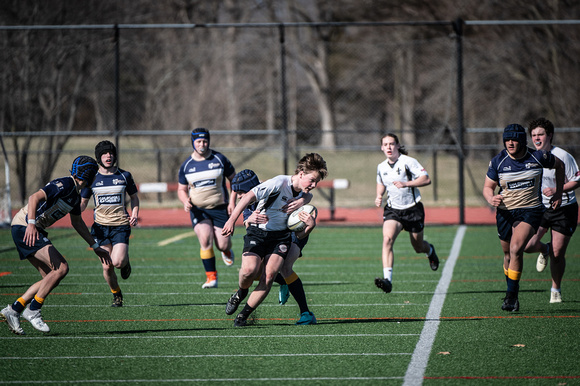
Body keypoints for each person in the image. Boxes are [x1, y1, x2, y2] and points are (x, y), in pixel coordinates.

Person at [1, 156, 111, 335]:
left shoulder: (76, 195)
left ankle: (14, 310)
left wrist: (95, 245)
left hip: (30, 228)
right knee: (61, 268)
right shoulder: (66, 184)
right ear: (89, 175)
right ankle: (33, 310)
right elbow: (34, 197)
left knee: (49, 277)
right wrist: (30, 223)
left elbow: (77, 223)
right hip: (25, 226)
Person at [221, 153, 328, 327]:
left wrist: (307, 218)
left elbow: (308, 198)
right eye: (312, 180)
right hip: (259, 234)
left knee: (270, 275)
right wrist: (232, 220)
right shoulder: (278, 183)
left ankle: (243, 316)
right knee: (249, 271)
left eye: (316, 182)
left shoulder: (303, 191)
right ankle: (241, 293)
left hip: (281, 236)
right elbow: (248, 196)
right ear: (301, 173)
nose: (314, 185)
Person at [483, 123, 564, 312]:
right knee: (507, 253)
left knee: (516, 248)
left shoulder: (538, 156)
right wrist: (490, 197)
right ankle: (510, 290)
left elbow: (560, 166)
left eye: (514, 139)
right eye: (507, 140)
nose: (510, 143)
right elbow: (488, 187)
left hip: (530, 211)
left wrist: (559, 193)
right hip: (505, 212)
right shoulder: (498, 161)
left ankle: (512, 297)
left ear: (521, 140)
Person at [523, 118, 580, 303]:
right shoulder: (530, 157)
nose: (536, 138)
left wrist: (558, 190)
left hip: (564, 209)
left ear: (549, 136)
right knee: (526, 245)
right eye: (533, 135)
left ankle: (555, 288)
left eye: (540, 134)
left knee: (558, 254)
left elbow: (577, 180)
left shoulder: (563, 156)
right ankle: (544, 249)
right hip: (540, 208)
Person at [374, 133, 439, 294]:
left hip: (412, 209)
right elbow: (381, 182)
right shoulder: (381, 166)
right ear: (381, 147)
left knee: (418, 247)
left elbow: (426, 179)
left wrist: (406, 184)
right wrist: (379, 196)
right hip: (393, 210)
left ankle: (430, 251)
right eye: (385, 144)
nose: (388, 147)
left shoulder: (408, 162)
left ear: (397, 145)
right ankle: (387, 280)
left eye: (391, 144)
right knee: (387, 239)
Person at [80, 140, 139, 307]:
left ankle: (125, 263)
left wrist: (134, 213)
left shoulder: (124, 176)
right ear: (99, 157)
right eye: (104, 153)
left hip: (120, 225)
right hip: (100, 228)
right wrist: (76, 208)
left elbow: (134, 197)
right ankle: (117, 294)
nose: (108, 156)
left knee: (118, 262)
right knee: (107, 267)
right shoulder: (92, 178)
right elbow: (83, 201)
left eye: (111, 153)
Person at [177, 128, 236, 288]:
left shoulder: (219, 159)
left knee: (223, 244)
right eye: (198, 142)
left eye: (205, 141)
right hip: (199, 210)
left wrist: (232, 203)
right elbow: (181, 189)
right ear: (193, 143)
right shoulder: (187, 166)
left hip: (220, 208)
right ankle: (211, 278)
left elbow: (234, 181)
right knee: (205, 239)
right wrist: (185, 201)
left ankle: (226, 251)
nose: (202, 144)